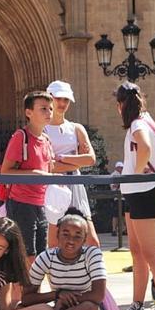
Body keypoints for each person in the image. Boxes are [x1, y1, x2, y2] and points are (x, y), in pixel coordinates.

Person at [112, 82, 155, 310]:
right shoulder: (143, 121)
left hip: (143, 191)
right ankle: (137, 305)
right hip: (136, 193)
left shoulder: (138, 124)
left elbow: (145, 149)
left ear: (121, 104)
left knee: (150, 253)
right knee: (137, 252)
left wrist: (137, 173)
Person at [22, 212, 112, 310]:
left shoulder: (92, 254)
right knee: (21, 309)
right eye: (66, 234)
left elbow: (98, 295)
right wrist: (57, 295)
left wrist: (68, 298)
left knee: (89, 309)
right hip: (61, 308)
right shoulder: (46, 257)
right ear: (57, 234)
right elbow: (26, 298)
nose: (71, 240)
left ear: (85, 239)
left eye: (77, 236)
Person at [0, 91, 56, 265]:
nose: (49, 113)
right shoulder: (20, 137)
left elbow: (49, 168)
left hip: (41, 203)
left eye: (50, 109)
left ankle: (32, 292)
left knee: (40, 256)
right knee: (25, 255)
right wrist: (34, 174)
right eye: (43, 109)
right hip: (21, 203)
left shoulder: (46, 139)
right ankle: (24, 292)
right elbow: (5, 172)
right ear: (28, 112)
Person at [44, 80, 101, 249]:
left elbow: (90, 159)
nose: (62, 104)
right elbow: (46, 165)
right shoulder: (42, 130)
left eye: (66, 100)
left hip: (75, 184)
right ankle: (55, 276)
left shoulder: (76, 128)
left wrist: (61, 159)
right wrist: (74, 161)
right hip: (51, 186)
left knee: (92, 241)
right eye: (59, 99)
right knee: (54, 241)